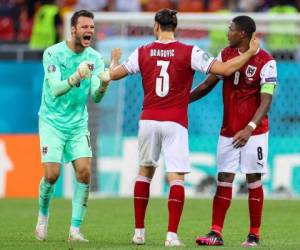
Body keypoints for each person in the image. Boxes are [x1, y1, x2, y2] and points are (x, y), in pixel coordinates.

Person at [100, 8, 259, 247]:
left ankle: (139, 233)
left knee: (144, 173)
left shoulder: (142, 51)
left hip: (149, 119)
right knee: (176, 178)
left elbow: (112, 75)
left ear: (156, 26)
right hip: (175, 121)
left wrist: (112, 63)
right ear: (176, 27)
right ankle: (171, 235)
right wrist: (251, 53)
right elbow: (225, 70)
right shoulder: (189, 51)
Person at [190, 15, 277, 247]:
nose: (227, 32)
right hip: (228, 130)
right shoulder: (225, 55)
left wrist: (250, 128)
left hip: (254, 133)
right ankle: (215, 233)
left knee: (253, 179)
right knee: (224, 178)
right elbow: (208, 83)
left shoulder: (266, 61)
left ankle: (254, 235)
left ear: (242, 34)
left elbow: (266, 100)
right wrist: (182, 101)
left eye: (231, 29)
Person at [35, 10, 109, 242]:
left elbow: (96, 97)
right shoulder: (53, 53)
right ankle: (43, 217)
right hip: (52, 122)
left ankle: (75, 230)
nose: (89, 31)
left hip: (77, 124)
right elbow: (56, 89)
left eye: (92, 27)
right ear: (73, 29)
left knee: (85, 172)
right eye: (85, 27)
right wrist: (76, 76)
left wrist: (104, 84)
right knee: (52, 175)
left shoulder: (96, 58)